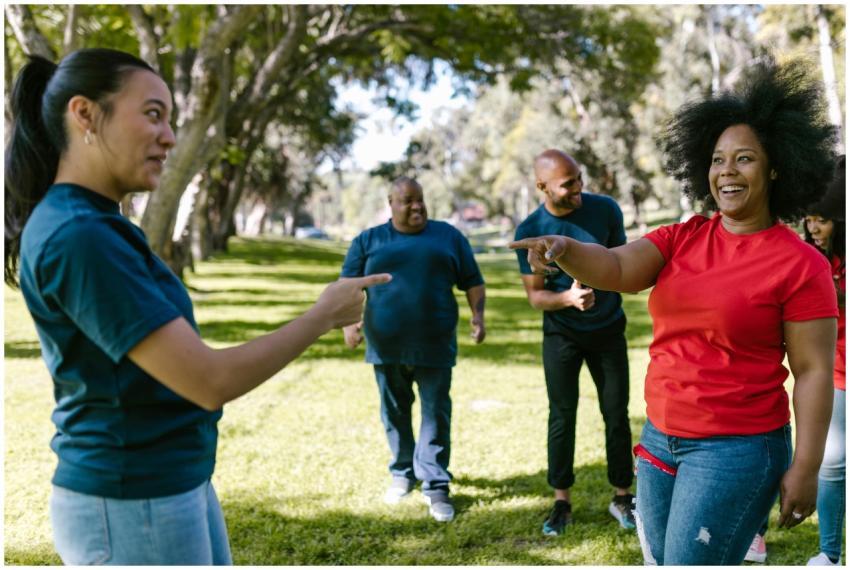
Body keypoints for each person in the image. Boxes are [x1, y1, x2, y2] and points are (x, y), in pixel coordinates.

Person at [4, 48, 390, 566]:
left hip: (166, 482)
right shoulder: (80, 234)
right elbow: (208, 380)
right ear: (85, 114)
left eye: (171, 120)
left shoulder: (95, 223)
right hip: (131, 499)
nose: (169, 136)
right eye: (153, 115)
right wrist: (323, 315)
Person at [510, 58, 838, 565]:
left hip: (736, 449)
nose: (726, 171)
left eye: (744, 159)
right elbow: (616, 266)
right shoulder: (684, 237)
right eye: (717, 159)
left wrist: (808, 465)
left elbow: (814, 370)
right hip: (660, 439)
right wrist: (564, 248)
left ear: (776, 168)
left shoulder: (801, 264)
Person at [340, 177, 486, 523]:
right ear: (391, 203)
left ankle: (436, 485)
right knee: (394, 411)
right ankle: (402, 473)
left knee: (435, 413)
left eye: (420, 199)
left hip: (434, 342)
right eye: (407, 201)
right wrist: (349, 324)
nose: (417, 206)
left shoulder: (448, 237)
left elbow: (473, 281)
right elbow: (348, 286)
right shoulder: (369, 240)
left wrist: (478, 316)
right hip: (385, 344)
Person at [513, 149, 636, 536]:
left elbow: (621, 263)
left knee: (616, 413)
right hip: (562, 335)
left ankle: (623, 496)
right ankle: (561, 502)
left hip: (608, 329)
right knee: (562, 415)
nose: (579, 187)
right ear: (543, 186)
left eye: (580, 177)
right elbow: (536, 297)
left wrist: (605, 284)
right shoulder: (531, 229)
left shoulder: (605, 211)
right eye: (569, 183)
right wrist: (567, 298)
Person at [803, 156, 845, 566]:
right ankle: (830, 554)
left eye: (823, 220)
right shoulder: (813, 262)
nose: (813, 228)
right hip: (836, 376)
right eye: (810, 219)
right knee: (832, 464)